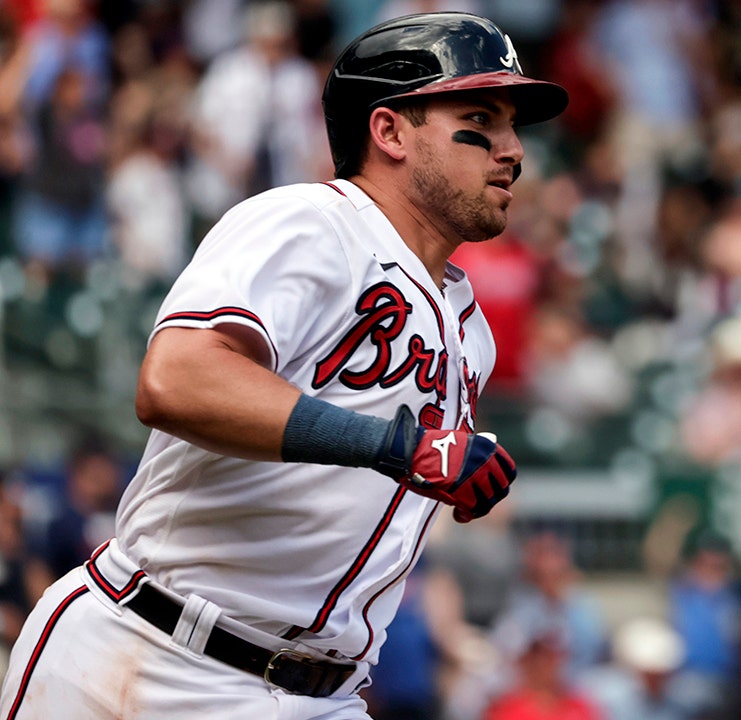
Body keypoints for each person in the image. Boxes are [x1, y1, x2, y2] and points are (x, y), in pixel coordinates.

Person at [0, 12, 565, 719]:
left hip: (319, 693)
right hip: (152, 654)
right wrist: (399, 446)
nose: (512, 149)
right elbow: (176, 379)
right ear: (388, 131)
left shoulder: (470, 328)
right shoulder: (311, 222)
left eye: (514, 125)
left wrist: (442, 471)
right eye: (481, 117)